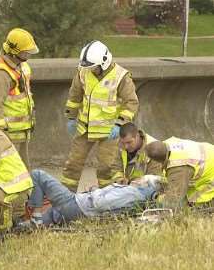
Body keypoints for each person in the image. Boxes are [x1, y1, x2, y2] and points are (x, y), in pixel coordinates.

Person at [62, 40, 139, 192]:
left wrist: (120, 124)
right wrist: (71, 117)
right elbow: (74, 96)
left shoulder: (121, 77)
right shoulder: (83, 72)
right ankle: (64, 195)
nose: (90, 70)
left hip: (109, 132)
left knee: (107, 168)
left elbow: (131, 103)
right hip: (84, 128)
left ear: (104, 62)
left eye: (93, 67)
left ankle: (107, 198)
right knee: (73, 164)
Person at [18, 169, 160, 228]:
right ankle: (26, 224)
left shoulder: (131, 193)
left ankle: (35, 217)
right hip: (76, 209)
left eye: (142, 179)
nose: (138, 179)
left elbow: (100, 203)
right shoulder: (134, 194)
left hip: (74, 205)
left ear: (145, 184)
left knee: (37, 175)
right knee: (23, 227)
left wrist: (94, 190)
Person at [0, 28, 39, 168]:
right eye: (26, 52)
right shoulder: (0, 74)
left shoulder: (21, 67)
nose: (28, 55)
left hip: (21, 132)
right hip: (8, 136)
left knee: (23, 170)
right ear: (15, 52)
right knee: (10, 172)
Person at [145, 137, 214, 210]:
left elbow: (173, 199)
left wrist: (156, 198)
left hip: (211, 176)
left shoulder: (179, 168)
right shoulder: (169, 142)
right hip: (209, 153)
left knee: (194, 206)